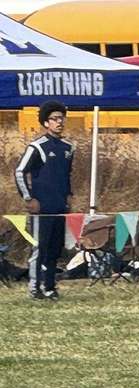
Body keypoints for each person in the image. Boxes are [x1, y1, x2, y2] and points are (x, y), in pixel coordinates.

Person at [15, 100, 73, 300]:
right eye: (54, 119)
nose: (59, 122)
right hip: (42, 207)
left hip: (60, 206)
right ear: (46, 123)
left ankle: (49, 286)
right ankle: (34, 288)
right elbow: (20, 171)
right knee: (40, 247)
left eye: (61, 118)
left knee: (55, 249)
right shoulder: (37, 147)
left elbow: (66, 175)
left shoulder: (68, 148)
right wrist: (28, 197)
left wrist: (68, 196)